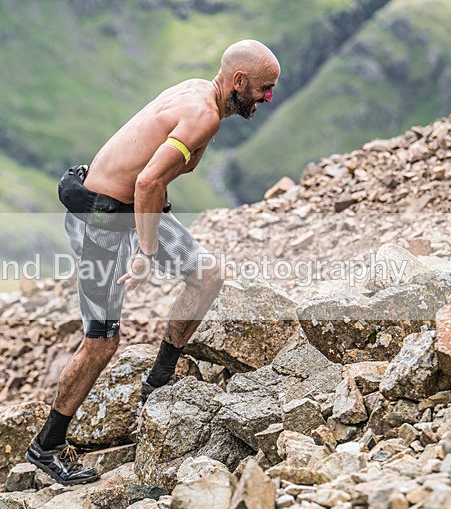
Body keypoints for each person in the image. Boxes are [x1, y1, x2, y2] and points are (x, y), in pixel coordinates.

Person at [25, 39, 280, 485]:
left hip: (135, 210)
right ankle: (46, 447)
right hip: (101, 223)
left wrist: (155, 227)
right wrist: (145, 254)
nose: (268, 98)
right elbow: (146, 181)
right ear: (239, 81)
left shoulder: (203, 94)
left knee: (207, 273)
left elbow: (151, 178)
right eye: (264, 89)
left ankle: (159, 380)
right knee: (102, 342)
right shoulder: (202, 115)